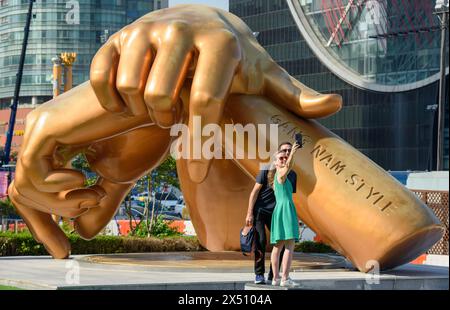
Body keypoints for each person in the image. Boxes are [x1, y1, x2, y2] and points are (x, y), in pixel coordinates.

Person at [246, 142, 297, 284]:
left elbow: (287, 194)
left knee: (279, 244)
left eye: (288, 151)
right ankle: (259, 274)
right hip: (261, 211)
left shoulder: (291, 174)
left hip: (277, 212)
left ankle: (274, 275)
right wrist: (249, 212)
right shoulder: (267, 170)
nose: (286, 154)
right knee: (261, 241)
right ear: (276, 157)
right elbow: (254, 192)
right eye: (283, 152)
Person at [269, 142, 301, 287]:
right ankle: (285, 278)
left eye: (284, 157)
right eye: (280, 158)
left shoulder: (280, 175)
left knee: (278, 246)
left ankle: (276, 278)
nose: (284, 159)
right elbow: (288, 166)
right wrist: (293, 152)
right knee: (289, 245)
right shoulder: (280, 174)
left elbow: (290, 166)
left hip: (281, 209)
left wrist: (291, 155)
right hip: (285, 209)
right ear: (275, 163)